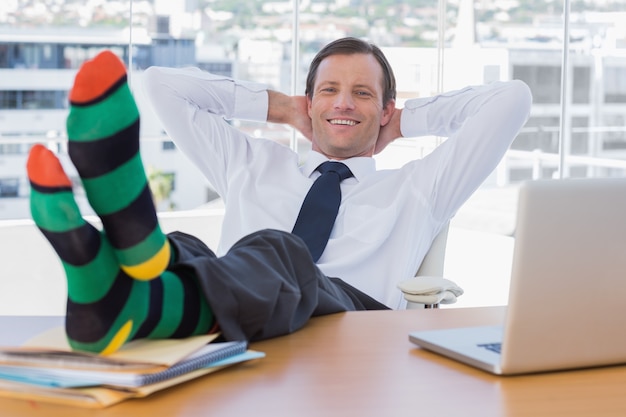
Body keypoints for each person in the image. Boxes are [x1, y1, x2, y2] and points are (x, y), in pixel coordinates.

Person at [27, 37, 532, 354]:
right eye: (329, 90)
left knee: (280, 253)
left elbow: (512, 101)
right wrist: (280, 108)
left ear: (384, 109)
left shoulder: (419, 187)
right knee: (195, 250)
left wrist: (403, 124)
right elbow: (161, 84)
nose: (343, 103)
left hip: (352, 329)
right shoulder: (251, 162)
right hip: (237, 312)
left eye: (363, 93)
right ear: (309, 103)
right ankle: (128, 290)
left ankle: (131, 278)